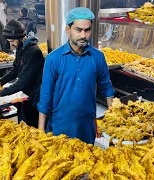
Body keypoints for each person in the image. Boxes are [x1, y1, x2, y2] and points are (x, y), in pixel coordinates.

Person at [37, 7, 115, 144]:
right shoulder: (54, 58)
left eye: (87, 30)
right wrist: (40, 131)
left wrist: (115, 121)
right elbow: (45, 96)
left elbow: (106, 88)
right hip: (60, 127)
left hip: (87, 127)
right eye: (78, 30)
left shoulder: (97, 57)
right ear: (68, 30)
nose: (83, 35)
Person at [0, 20, 44, 128]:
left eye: (12, 41)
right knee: (26, 121)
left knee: (33, 124)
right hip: (26, 95)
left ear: (20, 37)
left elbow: (23, 81)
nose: (11, 44)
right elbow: (15, 70)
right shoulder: (21, 49)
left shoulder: (33, 52)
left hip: (35, 96)